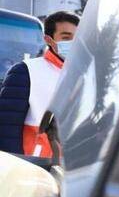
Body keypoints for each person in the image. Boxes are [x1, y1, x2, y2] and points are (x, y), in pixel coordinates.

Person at [0, 10, 79, 156]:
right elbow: (6, 130)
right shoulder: (26, 71)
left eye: (78, 37)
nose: (74, 43)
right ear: (49, 40)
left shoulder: (85, 75)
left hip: (74, 171)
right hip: (36, 169)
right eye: (66, 37)